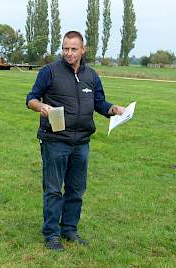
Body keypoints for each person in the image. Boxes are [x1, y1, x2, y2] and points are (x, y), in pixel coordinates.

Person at [26, 31, 125, 251]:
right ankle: (51, 234)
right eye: (65, 48)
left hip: (81, 142)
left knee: (76, 190)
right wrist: (41, 106)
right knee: (53, 189)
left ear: (83, 50)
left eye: (73, 49)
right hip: (55, 140)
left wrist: (114, 109)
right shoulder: (49, 72)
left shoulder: (91, 75)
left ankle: (69, 229)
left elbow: (99, 103)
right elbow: (31, 98)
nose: (69, 53)